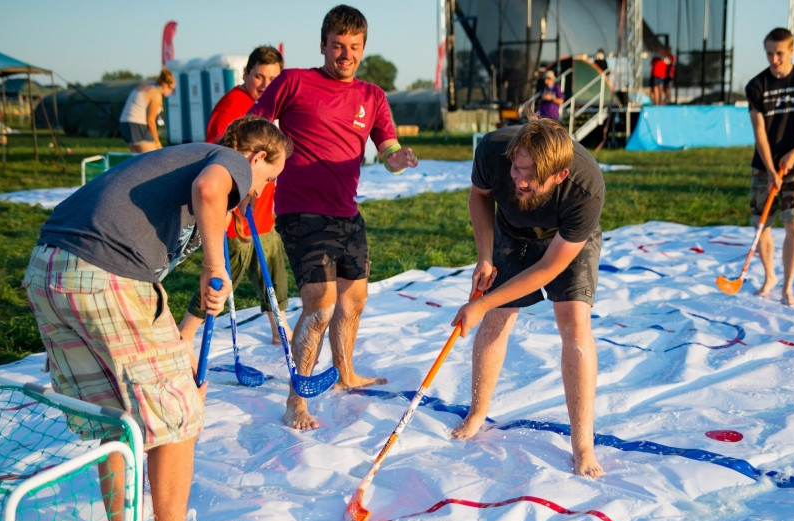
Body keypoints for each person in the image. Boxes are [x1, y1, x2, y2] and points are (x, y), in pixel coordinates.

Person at [23, 116, 290, 521]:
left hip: (49, 270)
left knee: (115, 420)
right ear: (255, 158)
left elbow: (154, 277)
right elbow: (211, 190)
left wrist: (180, 339)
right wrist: (214, 263)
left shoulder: (181, 160)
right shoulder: (226, 161)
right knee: (178, 415)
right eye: (269, 178)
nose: (262, 190)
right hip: (106, 273)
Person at [249, 4, 418, 431]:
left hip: (347, 211)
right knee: (320, 305)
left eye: (354, 47)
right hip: (301, 209)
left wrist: (400, 158)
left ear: (363, 48)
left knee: (354, 300)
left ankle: (345, 373)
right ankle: (297, 401)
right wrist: (248, 169)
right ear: (323, 44)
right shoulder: (294, 81)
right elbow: (253, 126)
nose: (346, 54)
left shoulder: (372, 96)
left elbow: (388, 149)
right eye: (338, 46)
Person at [449, 117, 605, 479]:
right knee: (498, 316)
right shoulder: (492, 149)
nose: (519, 180)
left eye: (530, 177)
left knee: (574, 319)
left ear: (559, 176)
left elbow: (550, 266)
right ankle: (476, 413)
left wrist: (480, 302)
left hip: (564, 240)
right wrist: (484, 255)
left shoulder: (586, 188)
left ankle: (583, 445)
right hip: (511, 229)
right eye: (516, 169)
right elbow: (480, 197)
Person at [179, 45, 290, 347]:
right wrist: (238, 198)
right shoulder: (232, 106)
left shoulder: (272, 105)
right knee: (225, 275)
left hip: (262, 207)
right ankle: (186, 333)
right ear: (245, 74)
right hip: (237, 211)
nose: (265, 85)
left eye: (273, 79)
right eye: (259, 77)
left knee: (272, 264)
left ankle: (278, 328)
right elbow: (218, 155)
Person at [744, 27, 794, 307]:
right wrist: (769, 170)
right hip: (764, 165)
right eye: (769, 53)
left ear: (791, 50)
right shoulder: (756, 85)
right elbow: (759, 133)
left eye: (779, 53)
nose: (774, 59)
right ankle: (770, 276)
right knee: (762, 226)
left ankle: (788, 288)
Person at [119, 68, 176, 153]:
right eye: (172, 89)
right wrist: (157, 142)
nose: (172, 92)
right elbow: (150, 120)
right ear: (165, 84)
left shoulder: (146, 86)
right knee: (153, 158)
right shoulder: (156, 94)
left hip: (124, 123)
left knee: (137, 160)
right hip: (137, 124)